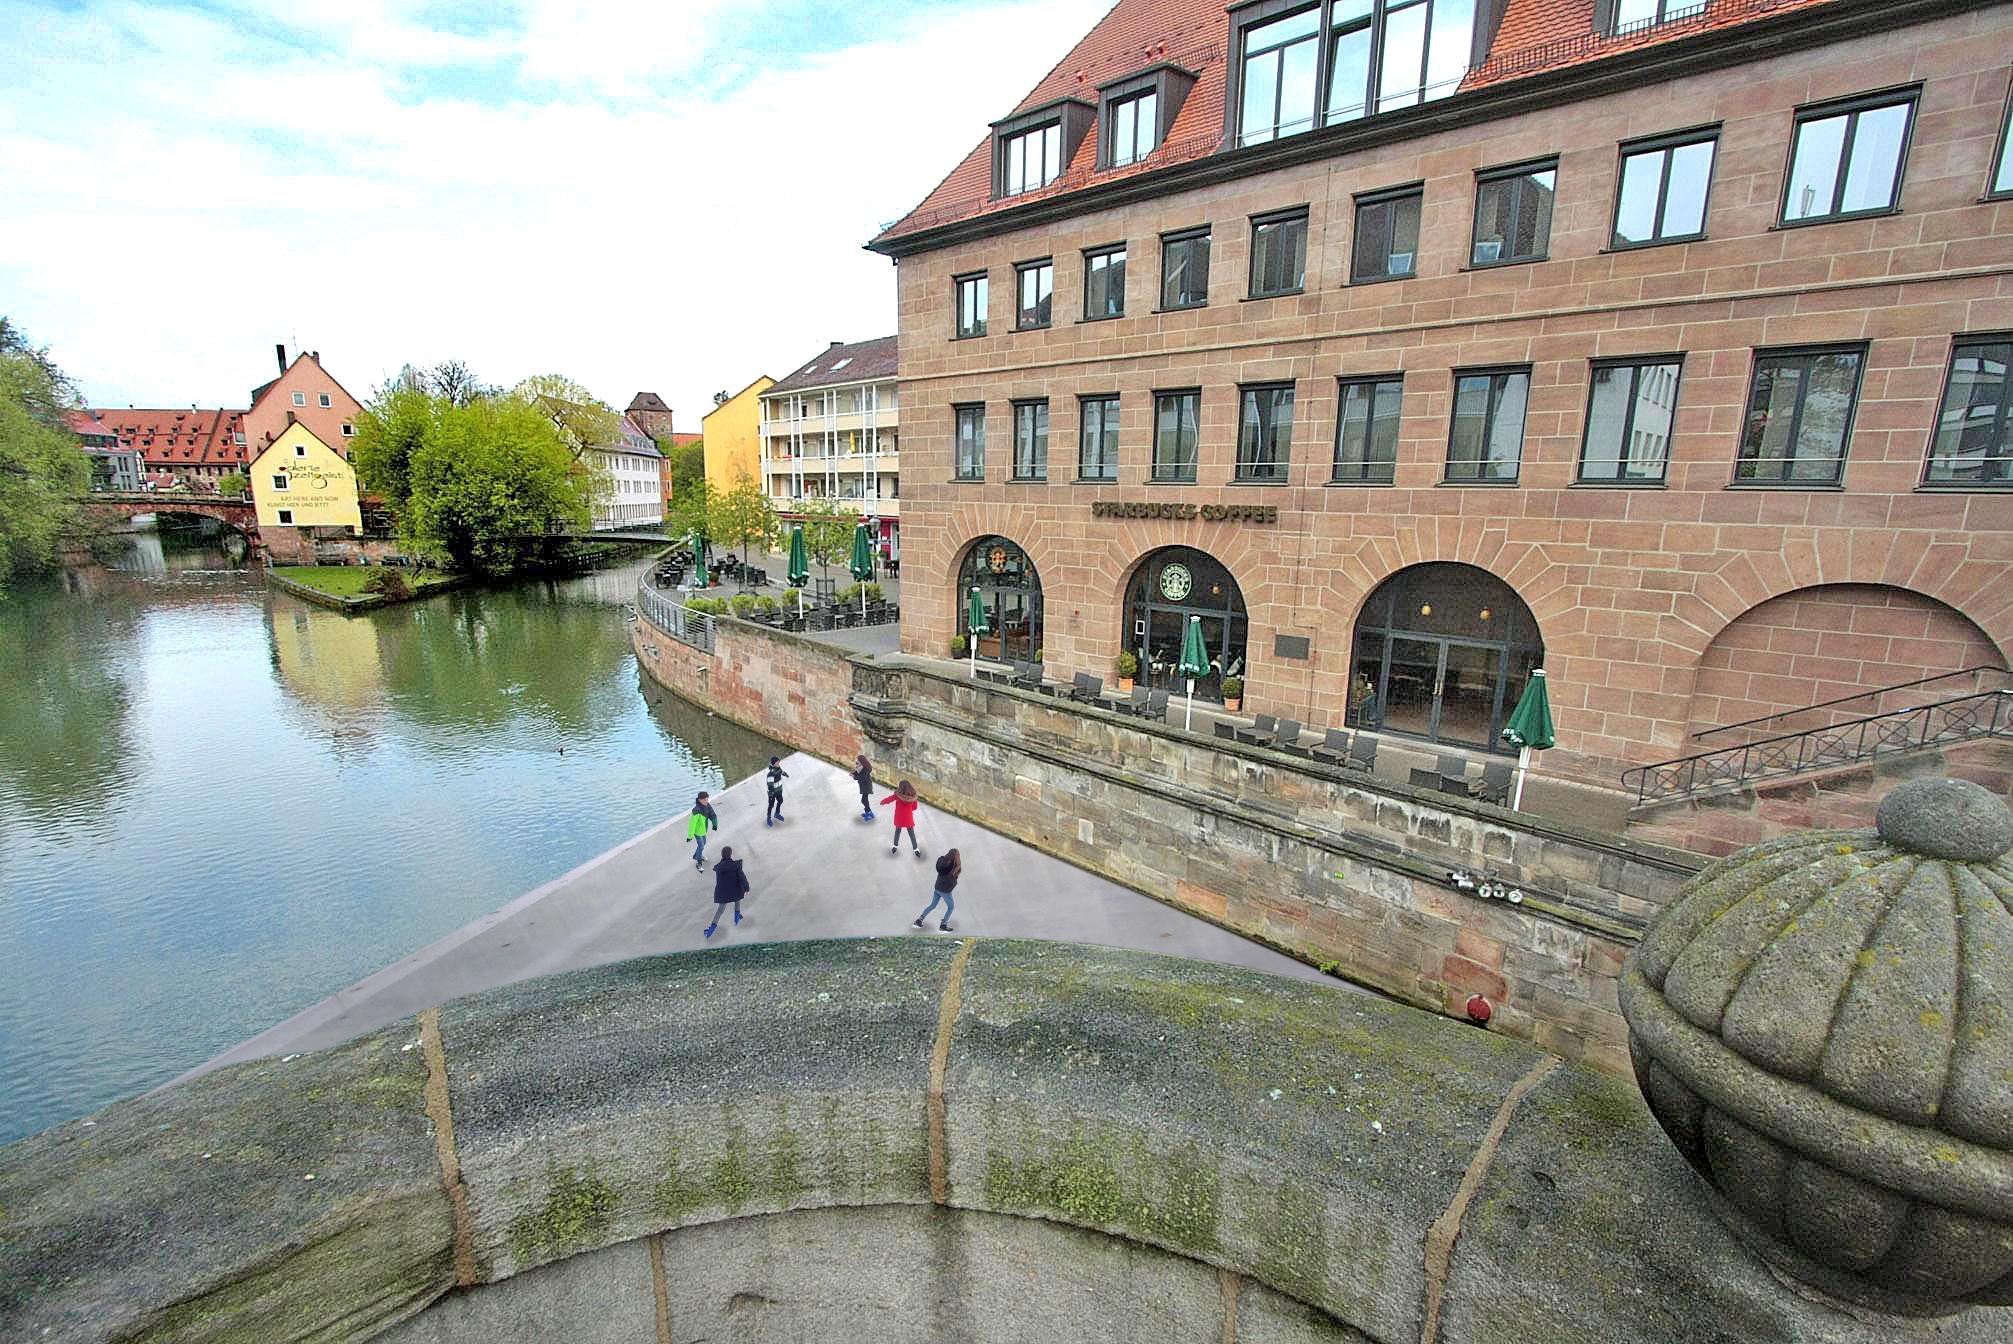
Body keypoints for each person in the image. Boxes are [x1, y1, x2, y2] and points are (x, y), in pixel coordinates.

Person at [704, 845, 749, 938]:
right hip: (735, 890)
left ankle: (710, 931)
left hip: (723, 893)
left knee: (720, 910)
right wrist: (746, 888)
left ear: (722, 855)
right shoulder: (736, 865)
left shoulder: (719, 868)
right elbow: (742, 877)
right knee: (737, 902)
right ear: (731, 854)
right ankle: (736, 919)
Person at [914, 848, 960, 932]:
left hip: (937, 888)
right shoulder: (953, 866)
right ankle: (943, 925)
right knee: (951, 907)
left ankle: (919, 920)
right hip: (945, 891)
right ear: (956, 856)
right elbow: (952, 879)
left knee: (932, 905)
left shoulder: (941, 861)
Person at [879, 780, 922, 858]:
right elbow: (915, 807)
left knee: (897, 832)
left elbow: (889, 799)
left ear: (901, 787)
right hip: (908, 818)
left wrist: (882, 802)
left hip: (899, 817)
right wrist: (908, 810)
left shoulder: (897, 795)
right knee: (911, 834)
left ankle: (895, 846)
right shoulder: (913, 796)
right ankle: (916, 849)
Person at [686, 791, 718, 870]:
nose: (706, 801)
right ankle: (699, 862)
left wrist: (715, 824)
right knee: (701, 846)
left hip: (704, 830)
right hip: (697, 832)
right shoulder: (696, 810)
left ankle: (696, 855)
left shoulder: (707, 805)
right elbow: (692, 824)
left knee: (704, 843)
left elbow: (712, 814)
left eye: (707, 799)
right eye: (704, 800)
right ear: (699, 800)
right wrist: (690, 836)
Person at [764, 757, 789, 826]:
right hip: (772, 793)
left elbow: (781, 772)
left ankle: (777, 814)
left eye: (778, 762)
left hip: (779, 790)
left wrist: (785, 774)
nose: (778, 763)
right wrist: (771, 793)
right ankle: (768, 818)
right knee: (771, 805)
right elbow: (769, 784)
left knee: (780, 800)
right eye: (777, 762)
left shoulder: (778, 768)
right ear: (773, 763)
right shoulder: (771, 773)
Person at [852, 755, 875, 822]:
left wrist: (854, 777)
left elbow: (861, 778)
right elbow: (857, 772)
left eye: (858, 760)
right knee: (864, 800)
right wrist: (853, 774)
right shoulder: (860, 767)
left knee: (864, 800)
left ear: (862, 761)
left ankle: (869, 814)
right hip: (864, 786)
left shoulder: (865, 769)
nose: (857, 761)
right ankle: (868, 813)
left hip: (866, 786)